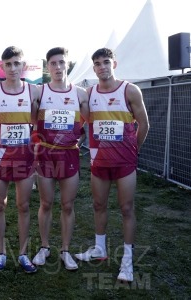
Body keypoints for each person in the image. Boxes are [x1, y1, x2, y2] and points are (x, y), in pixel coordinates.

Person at [75, 48, 149, 282]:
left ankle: (127, 260)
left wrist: (133, 151)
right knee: (99, 205)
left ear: (114, 63)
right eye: (97, 64)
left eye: (106, 62)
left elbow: (144, 124)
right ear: (94, 68)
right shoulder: (89, 93)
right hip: (100, 162)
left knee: (126, 208)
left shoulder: (130, 90)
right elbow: (82, 122)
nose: (102, 67)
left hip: (124, 162)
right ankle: (100, 248)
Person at [0, 46, 40, 273]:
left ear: (23, 65)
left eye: (16, 63)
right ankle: (1, 253)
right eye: (8, 64)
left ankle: (23, 254)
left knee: (23, 206)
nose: (13, 68)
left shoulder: (34, 91)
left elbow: (38, 121)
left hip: (24, 158)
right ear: (2, 67)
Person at [32, 47, 89, 271]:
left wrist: (81, 135)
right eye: (53, 63)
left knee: (67, 205)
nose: (57, 67)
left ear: (68, 65)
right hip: (45, 153)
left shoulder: (80, 94)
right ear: (48, 67)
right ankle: (44, 247)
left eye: (61, 63)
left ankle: (65, 250)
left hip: (69, 154)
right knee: (46, 203)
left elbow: (91, 122)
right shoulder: (39, 92)